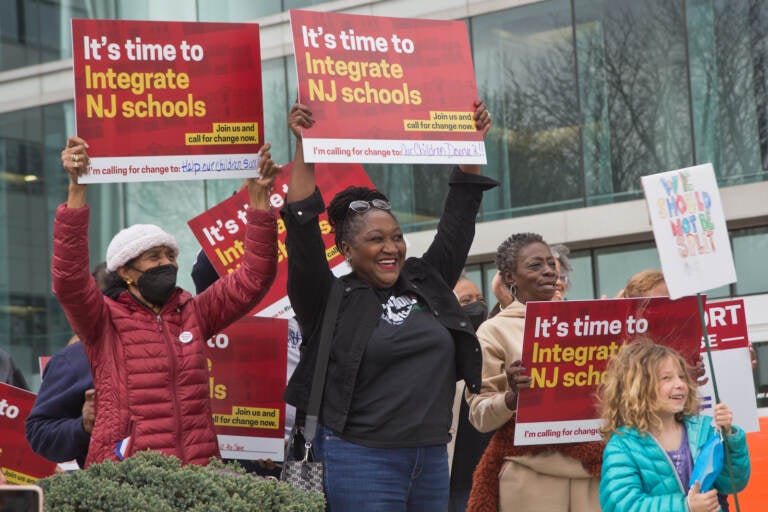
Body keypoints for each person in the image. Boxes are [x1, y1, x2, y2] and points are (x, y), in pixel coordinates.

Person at [282, 100, 496, 511]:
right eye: (376, 239)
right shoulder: (328, 298)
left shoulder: (425, 281)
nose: (391, 248)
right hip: (360, 460)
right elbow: (302, 229)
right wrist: (305, 146)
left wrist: (472, 143)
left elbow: (457, 222)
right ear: (346, 248)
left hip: (431, 457)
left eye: (396, 236)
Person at [52, 136, 279, 467]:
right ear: (126, 271)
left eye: (170, 255)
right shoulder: (102, 320)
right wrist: (77, 190)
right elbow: (69, 280)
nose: (167, 264)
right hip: (129, 477)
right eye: (153, 257)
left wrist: (259, 203)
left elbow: (254, 278)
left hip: (197, 474)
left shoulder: (193, 312)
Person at [466, 232, 603, 512]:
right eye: (535, 265)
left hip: (593, 470)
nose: (549, 272)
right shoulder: (493, 331)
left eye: (551, 264)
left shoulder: (590, 322)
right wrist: (511, 398)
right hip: (530, 475)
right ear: (510, 277)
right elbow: (478, 413)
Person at [598, 339, 750, 512]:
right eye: (666, 378)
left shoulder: (703, 430)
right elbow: (622, 506)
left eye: (682, 377)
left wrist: (729, 437)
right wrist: (686, 506)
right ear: (638, 388)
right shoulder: (623, 445)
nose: (680, 384)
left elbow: (732, 483)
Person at [26, 263, 110, 469]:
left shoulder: (184, 344)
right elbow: (40, 433)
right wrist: (82, 427)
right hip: (111, 489)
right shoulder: (75, 359)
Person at [448, 276, 493, 512]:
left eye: (480, 299)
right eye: (467, 300)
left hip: (490, 477)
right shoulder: (441, 351)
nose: (477, 305)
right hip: (454, 483)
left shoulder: (494, 345)